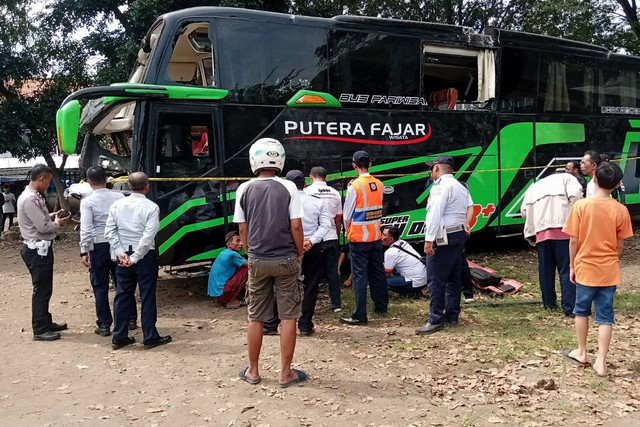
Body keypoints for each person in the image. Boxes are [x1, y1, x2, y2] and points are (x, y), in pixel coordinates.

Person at [233, 137, 307, 388]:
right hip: (286, 258)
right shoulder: (288, 188)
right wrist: (299, 253)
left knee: (256, 316)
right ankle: (286, 373)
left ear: (254, 160)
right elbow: (296, 225)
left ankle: (253, 371)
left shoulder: (243, 189)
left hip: (257, 259)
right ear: (280, 160)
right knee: (288, 316)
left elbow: (242, 229)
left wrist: (249, 251)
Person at [562, 162, 633, 376]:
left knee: (581, 311)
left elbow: (573, 240)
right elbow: (620, 245)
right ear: (618, 184)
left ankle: (582, 352)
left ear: (594, 179)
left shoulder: (581, 206)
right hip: (609, 270)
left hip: (585, 266)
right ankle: (601, 361)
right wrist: (612, 259)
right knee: (605, 316)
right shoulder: (621, 210)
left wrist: (572, 265)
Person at [105, 172, 172, 350]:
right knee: (147, 296)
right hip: (144, 257)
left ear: (128, 186)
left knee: (122, 295)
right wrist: (135, 257)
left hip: (122, 256)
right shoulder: (151, 207)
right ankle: (149, 336)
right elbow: (148, 236)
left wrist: (121, 253)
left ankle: (119, 335)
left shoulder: (117, 205)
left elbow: (110, 231)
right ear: (147, 186)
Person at [416, 156, 474, 335]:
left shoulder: (440, 187)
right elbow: (469, 208)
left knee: (435, 278)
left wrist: (428, 239)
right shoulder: (460, 186)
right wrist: (466, 225)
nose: (430, 172)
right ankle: (452, 314)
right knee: (453, 277)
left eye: (431, 168)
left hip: (443, 236)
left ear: (436, 168)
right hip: (458, 235)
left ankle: (435, 319)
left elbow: (435, 213)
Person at [79, 166, 138, 336]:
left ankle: (104, 324)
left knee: (100, 285)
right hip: (118, 245)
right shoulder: (119, 197)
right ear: (106, 180)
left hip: (98, 246)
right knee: (123, 282)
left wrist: (84, 250)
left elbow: (86, 228)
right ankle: (130, 319)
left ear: (89, 182)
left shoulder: (87, 202)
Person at [17, 164, 69, 341]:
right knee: (41, 290)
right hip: (37, 249)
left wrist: (54, 215)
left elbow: (40, 219)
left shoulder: (33, 197)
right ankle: (39, 329)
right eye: (48, 181)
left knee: (45, 288)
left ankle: (45, 321)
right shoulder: (30, 199)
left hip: (39, 248)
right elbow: (42, 227)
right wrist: (58, 224)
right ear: (41, 178)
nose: (48, 184)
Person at [521, 172, 584, 318]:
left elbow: (524, 212)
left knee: (545, 271)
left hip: (541, 233)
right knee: (566, 269)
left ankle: (548, 304)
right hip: (563, 230)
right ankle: (570, 307)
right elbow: (577, 198)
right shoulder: (567, 178)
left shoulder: (534, 186)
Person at [340, 150, 388, 325]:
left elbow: (347, 215)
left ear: (354, 166)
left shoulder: (355, 186)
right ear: (370, 164)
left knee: (360, 276)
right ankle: (381, 305)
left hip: (359, 238)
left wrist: (347, 230)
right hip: (375, 235)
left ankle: (360, 314)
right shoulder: (379, 184)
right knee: (377, 271)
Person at [286, 169, 331, 336]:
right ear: (305, 183)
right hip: (312, 249)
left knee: (283, 286)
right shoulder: (317, 202)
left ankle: (273, 323)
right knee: (311, 286)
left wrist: (295, 242)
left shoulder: (284, 202)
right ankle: (305, 326)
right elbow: (326, 225)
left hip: (289, 249)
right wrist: (311, 241)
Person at [305, 166, 343, 312]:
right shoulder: (335, 193)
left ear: (310, 177)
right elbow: (338, 218)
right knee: (332, 271)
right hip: (332, 236)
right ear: (326, 178)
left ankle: (310, 305)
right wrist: (337, 234)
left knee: (312, 272)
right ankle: (336, 304)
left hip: (314, 239)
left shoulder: (307, 192)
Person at [380, 226, 427, 297]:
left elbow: (386, 275)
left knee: (380, 281)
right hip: (423, 278)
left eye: (383, 235)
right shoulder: (402, 242)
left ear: (391, 239)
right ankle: (414, 291)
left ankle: (411, 293)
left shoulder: (390, 252)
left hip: (414, 281)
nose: (381, 237)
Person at [207, 231, 248, 309]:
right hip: (223, 294)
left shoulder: (224, 252)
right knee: (247, 270)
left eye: (241, 241)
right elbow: (252, 265)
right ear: (228, 244)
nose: (241, 244)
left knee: (241, 267)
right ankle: (232, 300)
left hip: (217, 295)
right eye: (237, 241)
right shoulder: (232, 254)